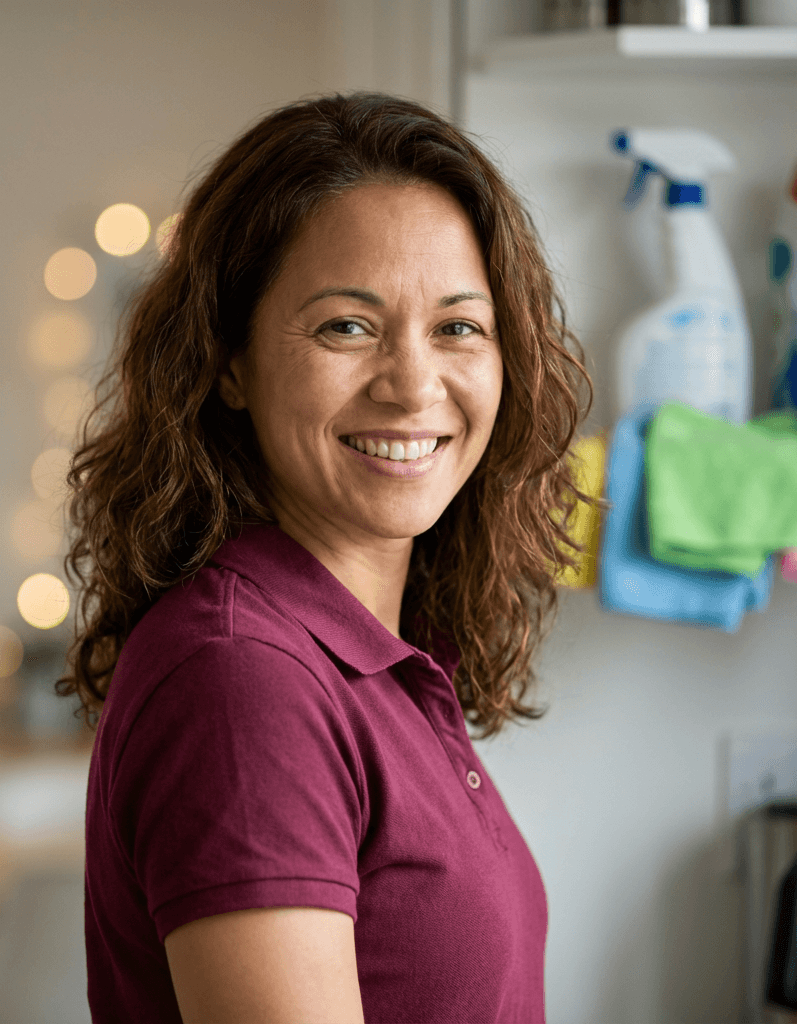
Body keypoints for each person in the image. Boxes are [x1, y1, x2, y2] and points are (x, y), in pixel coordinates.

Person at [60, 91, 595, 1023]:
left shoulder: (372, 656)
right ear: (228, 362)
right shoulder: (245, 680)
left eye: (459, 327)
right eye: (347, 326)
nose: (414, 384)